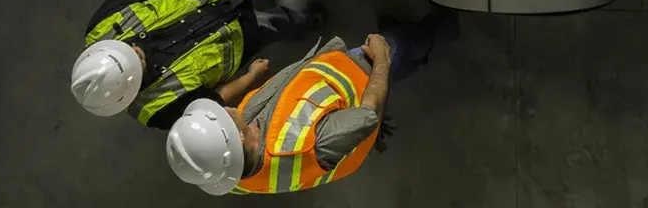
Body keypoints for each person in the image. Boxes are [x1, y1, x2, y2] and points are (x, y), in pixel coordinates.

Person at [164, 10, 458, 195]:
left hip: (328, 80)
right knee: (397, 48)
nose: (227, 108)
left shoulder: (229, 172)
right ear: (237, 138)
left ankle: (407, 52)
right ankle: (443, 26)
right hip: (360, 76)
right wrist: (381, 57)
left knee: (399, 56)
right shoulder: (304, 145)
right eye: (223, 116)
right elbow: (368, 115)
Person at [70, 0, 322, 130]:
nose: (136, 50)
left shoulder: (101, 28)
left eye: (125, 49)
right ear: (129, 91)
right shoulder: (157, 111)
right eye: (137, 62)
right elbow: (215, 98)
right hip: (237, 39)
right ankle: (303, 21)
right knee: (275, 23)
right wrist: (250, 77)